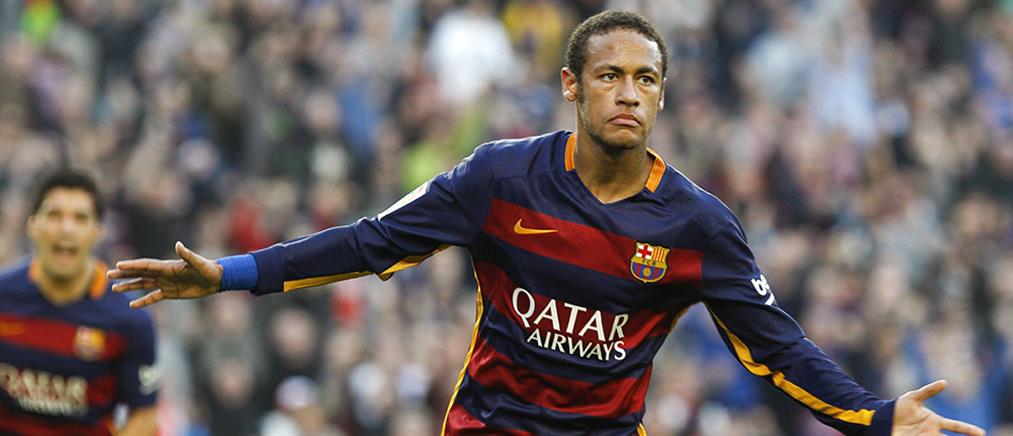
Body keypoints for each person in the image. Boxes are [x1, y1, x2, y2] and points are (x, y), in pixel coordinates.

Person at [108, 11, 983, 436]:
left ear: (662, 96)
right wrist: (228, 274)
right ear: (571, 85)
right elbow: (371, 243)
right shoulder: (498, 178)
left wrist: (876, 418)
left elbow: (776, 349)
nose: (628, 92)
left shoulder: (696, 225)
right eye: (609, 75)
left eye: (645, 78)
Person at [0, 170, 158, 435]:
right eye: (54, 215)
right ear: (32, 225)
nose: (66, 229)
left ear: (98, 231)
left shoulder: (130, 321)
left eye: (80, 218)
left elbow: (144, 416)